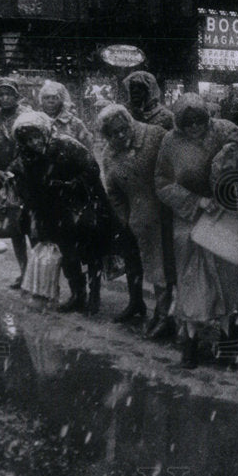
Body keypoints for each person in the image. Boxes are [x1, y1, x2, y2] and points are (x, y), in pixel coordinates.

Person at [10, 112, 141, 317]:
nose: (34, 142)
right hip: (53, 212)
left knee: (91, 254)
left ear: (45, 132)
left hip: (82, 207)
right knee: (67, 255)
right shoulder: (24, 157)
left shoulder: (66, 145)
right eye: (28, 139)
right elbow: (26, 185)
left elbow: (92, 169)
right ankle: (77, 294)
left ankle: (94, 295)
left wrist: (71, 185)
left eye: (36, 136)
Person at [154, 94, 238, 368]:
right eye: (187, 122)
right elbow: (162, 182)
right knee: (192, 284)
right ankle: (191, 342)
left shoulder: (225, 129)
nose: (194, 127)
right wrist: (195, 201)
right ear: (179, 123)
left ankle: (228, 343)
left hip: (225, 216)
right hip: (189, 220)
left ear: (208, 117)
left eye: (199, 121)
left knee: (228, 281)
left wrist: (230, 192)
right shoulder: (170, 143)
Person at [98, 104, 172, 328]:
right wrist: (126, 217)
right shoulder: (109, 154)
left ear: (129, 123)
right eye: (113, 133)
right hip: (140, 217)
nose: (120, 135)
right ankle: (152, 309)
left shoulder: (155, 135)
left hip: (169, 210)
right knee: (153, 267)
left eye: (123, 128)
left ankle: (170, 316)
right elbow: (114, 192)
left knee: (170, 267)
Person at [0, 78, 32, 288]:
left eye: (8, 94)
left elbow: (31, 147)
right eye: (0, 95)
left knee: (34, 229)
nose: (4, 98)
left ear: (16, 96)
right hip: (4, 182)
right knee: (16, 230)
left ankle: (40, 276)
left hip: (27, 178)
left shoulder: (27, 118)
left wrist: (13, 168)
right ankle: (24, 272)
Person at [38, 79, 94, 151]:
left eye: (55, 98)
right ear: (41, 100)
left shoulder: (75, 123)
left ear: (62, 101)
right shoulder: (36, 120)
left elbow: (88, 149)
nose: (50, 101)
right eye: (46, 98)